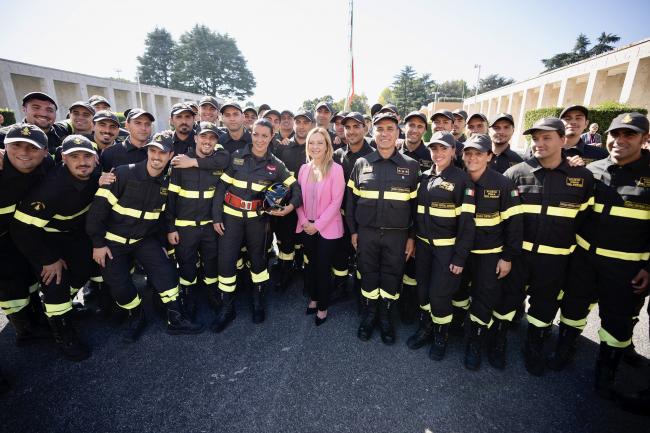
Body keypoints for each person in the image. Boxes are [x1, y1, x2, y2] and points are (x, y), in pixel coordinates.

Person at [552, 113, 649, 399]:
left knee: (617, 322)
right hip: (584, 258)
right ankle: (565, 348)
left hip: (627, 266)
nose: (620, 140)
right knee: (572, 308)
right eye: (615, 134)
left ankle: (606, 371)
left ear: (644, 140)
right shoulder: (590, 170)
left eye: (629, 135)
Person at [87, 131, 203, 342]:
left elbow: (164, 217)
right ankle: (136, 315)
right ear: (148, 151)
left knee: (166, 272)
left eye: (162, 152)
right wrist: (98, 244)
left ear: (170, 156)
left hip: (144, 240)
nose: (157, 156)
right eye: (153, 151)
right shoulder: (122, 173)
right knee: (120, 287)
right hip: (113, 242)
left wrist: (163, 243)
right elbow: (97, 213)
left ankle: (175, 318)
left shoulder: (167, 184)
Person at [502, 117, 594, 376]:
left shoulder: (582, 177)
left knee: (544, 307)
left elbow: (584, 221)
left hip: (555, 260)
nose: (539, 143)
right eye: (535, 138)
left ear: (563, 140)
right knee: (507, 299)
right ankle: (497, 339)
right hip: (518, 256)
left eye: (546, 138)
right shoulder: (516, 173)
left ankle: (534, 346)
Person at [11, 135, 99, 361]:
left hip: (73, 236)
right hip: (43, 239)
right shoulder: (51, 188)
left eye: (87, 156)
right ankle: (63, 333)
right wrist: (48, 259)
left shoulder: (98, 176)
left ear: (96, 158)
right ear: (63, 158)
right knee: (56, 281)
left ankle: (62, 306)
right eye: (75, 157)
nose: (82, 162)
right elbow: (23, 229)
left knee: (84, 268)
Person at [211, 119, 302, 332]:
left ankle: (258, 301)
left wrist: (289, 207)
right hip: (230, 218)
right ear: (251, 134)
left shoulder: (276, 164)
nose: (260, 139)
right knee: (226, 263)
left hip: (257, 221)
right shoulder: (235, 158)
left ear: (272, 137)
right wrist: (216, 218)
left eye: (265, 135)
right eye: (256, 134)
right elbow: (220, 189)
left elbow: (296, 187)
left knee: (259, 262)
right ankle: (227, 307)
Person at [346, 112, 419, 345]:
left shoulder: (411, 166)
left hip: (397, 236)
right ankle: (369, 316)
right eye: (380, 129)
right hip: (366, 233)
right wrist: (354, 232)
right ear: (373, 133)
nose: (384, 133)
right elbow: (350, 202)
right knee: (368, 274)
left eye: (390, 129)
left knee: (391, 276)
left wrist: (411, 237)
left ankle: (386, 317)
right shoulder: (361, 163)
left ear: (398, 133)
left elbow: (417, 208)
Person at [406, 131, 475, 361]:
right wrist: (414, 239)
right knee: (423, 291)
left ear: (454, 151)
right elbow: (417, 214)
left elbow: (467, 225)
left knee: (439, 295)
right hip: (424, 247)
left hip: (447, 250)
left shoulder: (462, 180)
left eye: (443, 148)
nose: (438, 153)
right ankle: (426, 328)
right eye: (434, 149)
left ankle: (440, 335)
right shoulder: (424, 176)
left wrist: (459, 258)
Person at [455, 134, 522, 370]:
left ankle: (476, 341)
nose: (472, 158)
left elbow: (514, 225)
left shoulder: (502, 184)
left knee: (484, 300)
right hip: (460, 254)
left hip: (489, 254)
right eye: (468, 153)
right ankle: (457, 331)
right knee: (459, 293)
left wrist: (507, 257)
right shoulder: (458, 180)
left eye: (479, 153)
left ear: (489, 156)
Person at [166, 122, 230, 318]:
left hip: (210, 226)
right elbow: (170, 199)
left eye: (212, 138)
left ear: (216, 142)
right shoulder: (180, 163)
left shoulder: (219, 162)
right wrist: (170, 228)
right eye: (204, 137)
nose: (207, 141)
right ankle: (189, 297)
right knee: (186, 263)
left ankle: (212, 294)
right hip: (185, 228)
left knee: (211, 262)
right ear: (195, 138)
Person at [0, 124, 53, 345]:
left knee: (27, 276)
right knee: (9, 284)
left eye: (32, 148)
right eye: (17, 145)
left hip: (16, 232)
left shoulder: (47, 164)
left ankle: (35, 316)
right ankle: (24, 329)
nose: (23, 152)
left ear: (45, 152)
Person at [296, 127, 345, 326]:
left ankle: (323, 306)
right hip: (306, 225)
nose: (315, 146)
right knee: (311, 266)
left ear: (327, 146)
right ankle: (314, 298)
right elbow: (297, 199)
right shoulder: (303, 169)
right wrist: (304, 222)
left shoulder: (336, 169)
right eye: (311, 142)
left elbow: (336, 202)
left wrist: (318, 225)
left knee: (323, 268)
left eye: (320, 143)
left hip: (327, 228)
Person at [332, 112, 374, 306]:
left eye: (356, 126)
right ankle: (340, 288)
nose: (351, 131)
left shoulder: (374, 155)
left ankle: (360, 293)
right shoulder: (338, 154)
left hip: (363, 220)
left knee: (363, 259)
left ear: (365, 127)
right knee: (340, 255)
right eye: (347, 127)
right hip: (340, 217)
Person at [271, 110, 313, 291]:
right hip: (287, 203)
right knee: (286, 241)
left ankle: (306, 274)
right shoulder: (283, 148)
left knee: (306, 241)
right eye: (299, 122)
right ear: (294, 124)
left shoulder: (315, 148)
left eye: (306, 122)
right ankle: (286, 273)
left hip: (310, 205)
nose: (302, 126)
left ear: (311, 125)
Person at [398, 111, 432, 324]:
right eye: (411, 125)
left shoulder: (432, 154)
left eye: (420, 126)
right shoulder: (391, 149)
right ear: (404, 127)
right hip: (394, 218)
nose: (415, 130)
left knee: (411, 269)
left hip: (418, 220)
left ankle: (408, 308)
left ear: (425, 131)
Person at [0, 92, 65, 154]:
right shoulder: (4, 136)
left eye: (49, 110)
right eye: (36, 108)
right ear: (24, 109)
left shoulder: (62, 131)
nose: (43, 114)